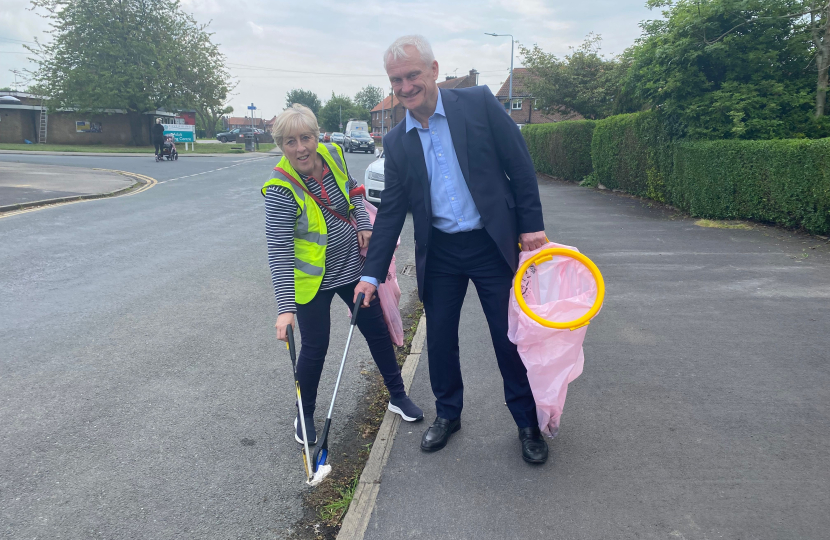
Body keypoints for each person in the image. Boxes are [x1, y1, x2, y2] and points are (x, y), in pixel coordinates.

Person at [354, 35, 549, 464]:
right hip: (440, 251)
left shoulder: (478, 103)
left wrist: (531, 226)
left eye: (412, 75)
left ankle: (527, 422)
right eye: (396, 80)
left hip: (490, 244)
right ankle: (448, 414)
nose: (405, 87)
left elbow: (519, 165)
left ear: (434, 70)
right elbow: (390, 213)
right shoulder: (399, 141)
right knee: (440, 339)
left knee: (509, 337)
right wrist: (371, 272)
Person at [263, 104, 423, 445]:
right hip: (313, 282)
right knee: (315, 348)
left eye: (305, 138)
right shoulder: (280, 189)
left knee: (376, 332)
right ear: (281, 146)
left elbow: (352, 191)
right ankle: (304, 415)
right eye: (290, 142)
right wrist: (285, 308)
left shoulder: (332, 152)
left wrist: (364, 224)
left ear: (316, 136)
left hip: (352, 268)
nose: (301, 148)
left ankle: (397, 395)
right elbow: (278, 252)